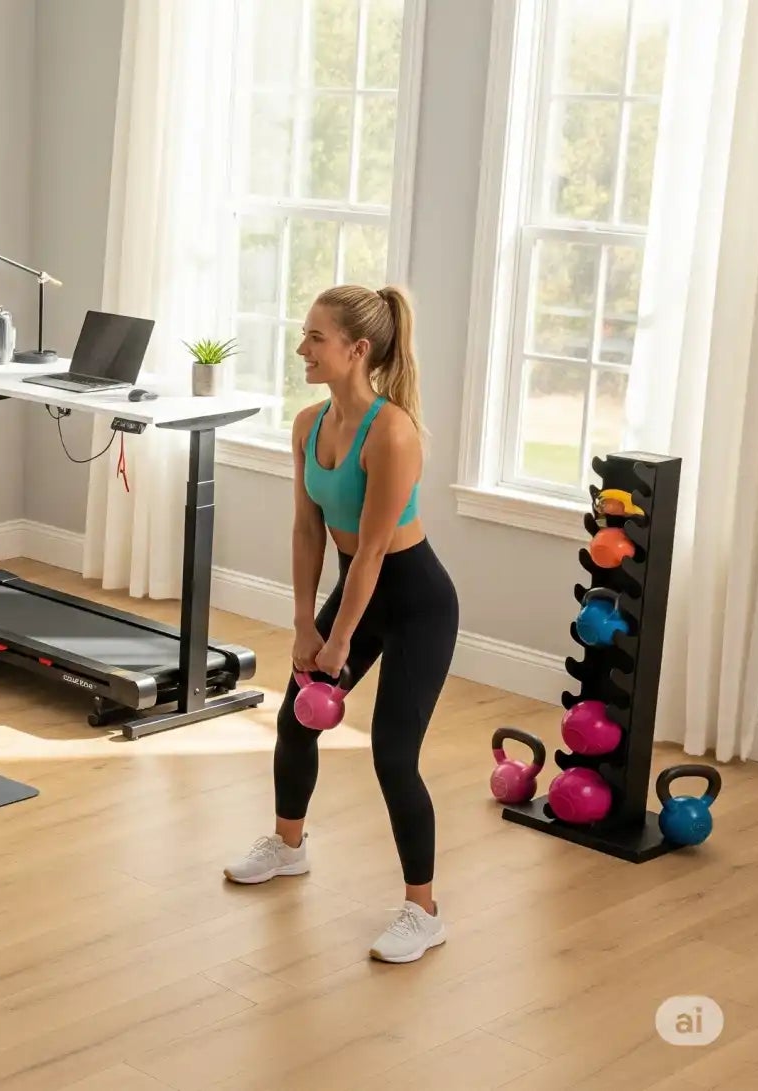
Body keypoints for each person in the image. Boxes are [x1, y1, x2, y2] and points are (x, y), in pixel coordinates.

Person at [221, 285, 459, 964]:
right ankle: (288, 846)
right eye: (304, 335)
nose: (302, 349)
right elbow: (307, 529)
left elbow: (377, 549)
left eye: (315, 338)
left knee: (391, 752)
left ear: (357, 350)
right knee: (296, 717)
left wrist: (342, 640)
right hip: (356, 589)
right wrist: (304, 624)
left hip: (415, 601)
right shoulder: (309, 423)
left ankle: (424, 909)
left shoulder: (393, 432)